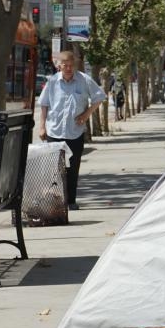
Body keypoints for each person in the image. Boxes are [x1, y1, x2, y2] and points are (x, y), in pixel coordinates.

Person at [38, 50, 106, 210]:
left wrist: (86, 114)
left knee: (72, 168)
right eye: (65, 66)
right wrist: (42, 127)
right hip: (54, 131)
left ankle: (71, 201)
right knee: (55, 169)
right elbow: (44, 104)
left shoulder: (83, 80)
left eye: (71, 65)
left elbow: (99, 97)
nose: (68, 69)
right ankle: (56, 201)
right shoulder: (53, 82)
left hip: (74, 132)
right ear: (59, 66)